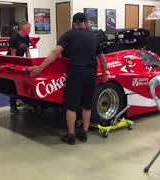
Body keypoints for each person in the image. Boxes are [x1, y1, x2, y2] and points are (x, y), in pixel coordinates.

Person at [30, 13, 108, 145]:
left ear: (73, 23)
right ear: (86, 23)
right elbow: (102, 59)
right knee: (87, 105)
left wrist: (39, 69)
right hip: (91, 74)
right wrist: (105, 74)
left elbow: (56, 53)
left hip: (76, 73)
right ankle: (84, 133)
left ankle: (71, 135)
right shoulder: (94, 37)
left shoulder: (68, 35)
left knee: (71, 106)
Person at [7, 21, 32, 113]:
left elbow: (27, 51)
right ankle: (12, 105)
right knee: (13, 84)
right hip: (12, 61)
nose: (30, 29)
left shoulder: (26, 37)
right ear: (22, 29)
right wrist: (16, 66)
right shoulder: (14, 38)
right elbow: (13, 55)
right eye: (28, 28)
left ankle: (23, 100)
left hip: (21, 60)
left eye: (30, 27)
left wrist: (30, 63)